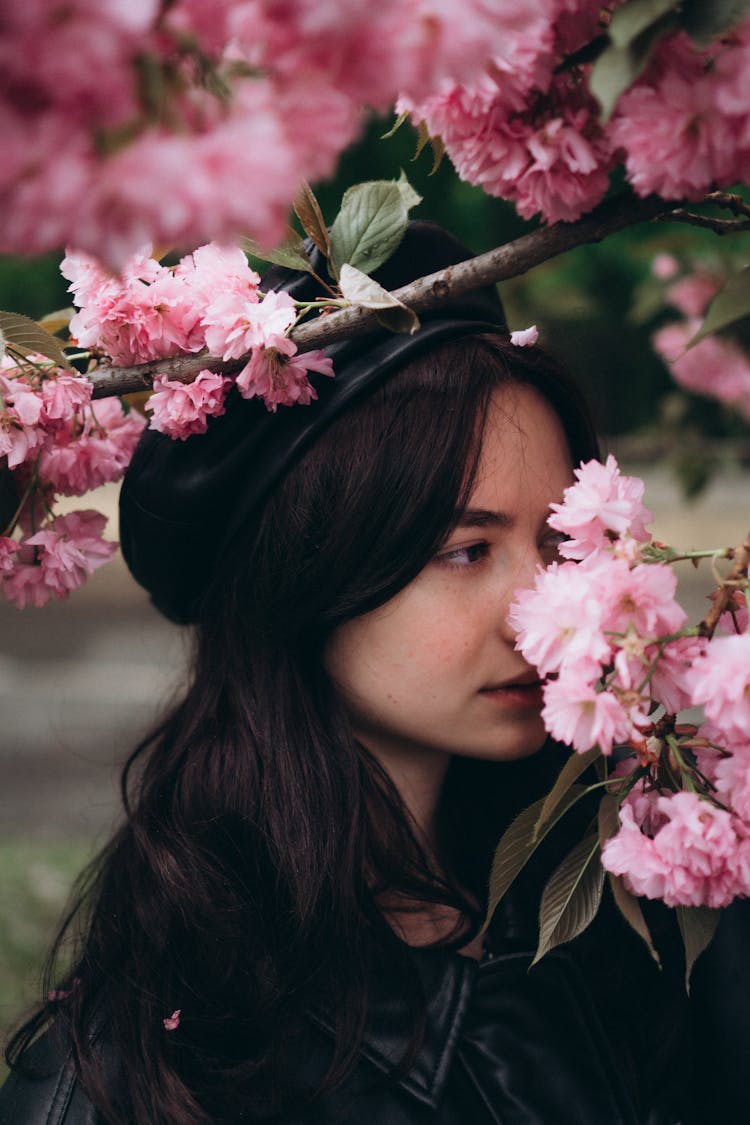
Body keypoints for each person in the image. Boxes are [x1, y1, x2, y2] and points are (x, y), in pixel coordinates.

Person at [0, 223, 744, 1125]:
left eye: (560, 543)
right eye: (467, 550)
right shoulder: (151, 1071)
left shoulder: (654, 891)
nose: (548, 609)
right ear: (312, 572)